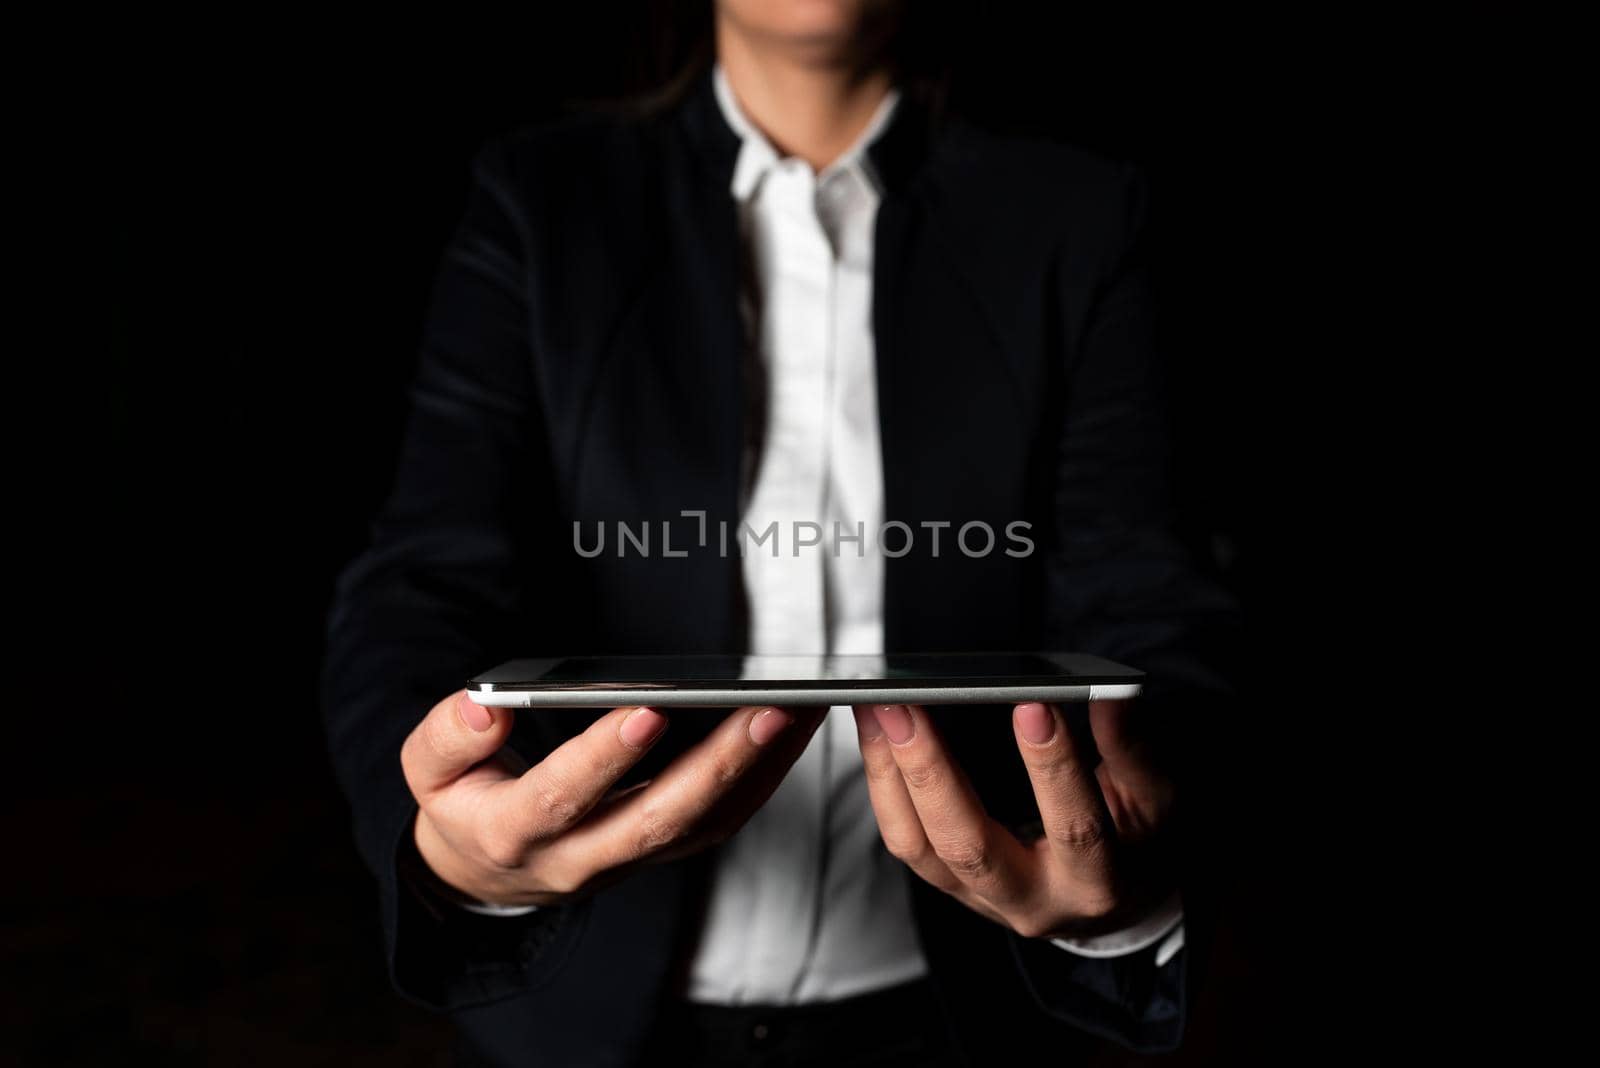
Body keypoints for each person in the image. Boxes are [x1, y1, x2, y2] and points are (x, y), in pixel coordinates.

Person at [321, 1, 1238, 1064]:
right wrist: (445, 839)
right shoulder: (539, 198)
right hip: (590, 1009)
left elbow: (1151, 600)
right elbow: (419, 585)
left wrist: (1129, 865)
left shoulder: (1075, 212)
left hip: (978, 1008)